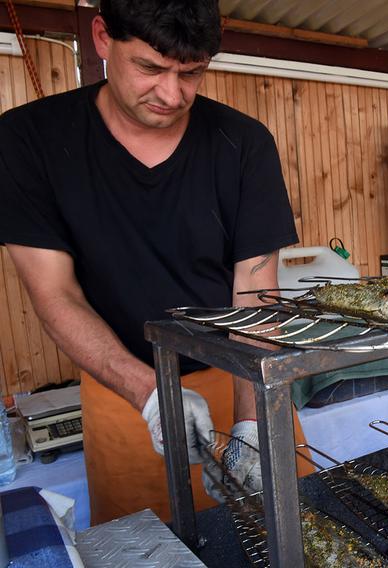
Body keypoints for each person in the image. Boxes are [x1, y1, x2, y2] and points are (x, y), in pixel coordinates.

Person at [0, 0, 312, 525]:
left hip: (239, 375)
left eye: (191, 73)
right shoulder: (29, 141)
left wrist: (255, 421)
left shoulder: (243, 144)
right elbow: (56, 294)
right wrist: (151, 396)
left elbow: (254, 295)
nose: (172, 95)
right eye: (150, 68)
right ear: (102, 39)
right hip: (123, 391)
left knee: (293, 532)